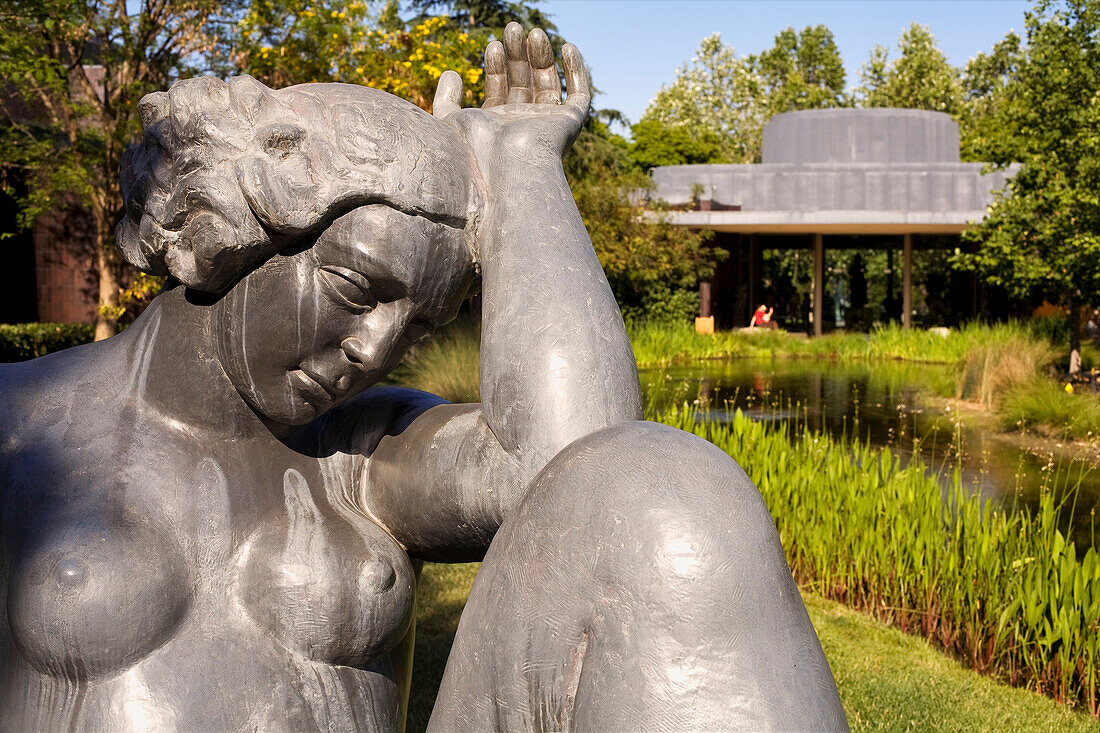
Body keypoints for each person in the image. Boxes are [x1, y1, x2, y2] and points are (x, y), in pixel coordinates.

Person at [0, 25, 844, 731]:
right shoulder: (19, 424)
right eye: (356, 291)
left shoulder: (363, 452)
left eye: (417, 325)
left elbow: (582, 461)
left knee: (674, 497)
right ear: (228, 226)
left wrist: (521, 165)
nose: (377, 351)